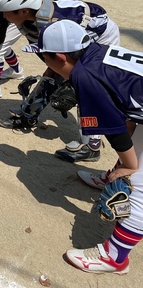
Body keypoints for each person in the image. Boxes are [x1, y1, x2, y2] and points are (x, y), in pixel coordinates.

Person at [21, 20, 143, 275]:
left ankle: (114, 258)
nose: (45, 63)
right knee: (132, 163)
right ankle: (116, 176)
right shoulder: (96, 51)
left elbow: (116, 131)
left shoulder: (85, 76)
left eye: (45, 57)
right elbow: (128, 99)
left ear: (61, 57)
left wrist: (130, 166)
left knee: (139, 189)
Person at [0, 0, 121, 162]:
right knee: (51, 74)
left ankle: (91, 145)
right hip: (74, 33)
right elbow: (49, 60)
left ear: (22, 10)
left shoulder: (53, 23)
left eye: (6, 13)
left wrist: (70, 80)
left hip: (100, 37)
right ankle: (29, 116)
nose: (3, 16)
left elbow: (70, 59)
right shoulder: (28, 18)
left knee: (82, 85)